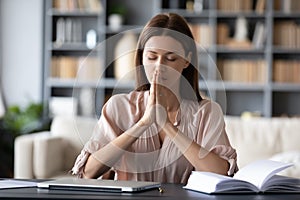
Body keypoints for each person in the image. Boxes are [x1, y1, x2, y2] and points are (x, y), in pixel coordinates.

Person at [71, 13, 238, 184]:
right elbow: (88, 172)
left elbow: (222, 174)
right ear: (142, 57)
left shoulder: (207, 112)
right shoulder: (119, 106)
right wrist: (143, 123)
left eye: (170, 58)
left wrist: (167, 126)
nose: (159, 67)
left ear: (187, 60)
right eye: (152, 57)